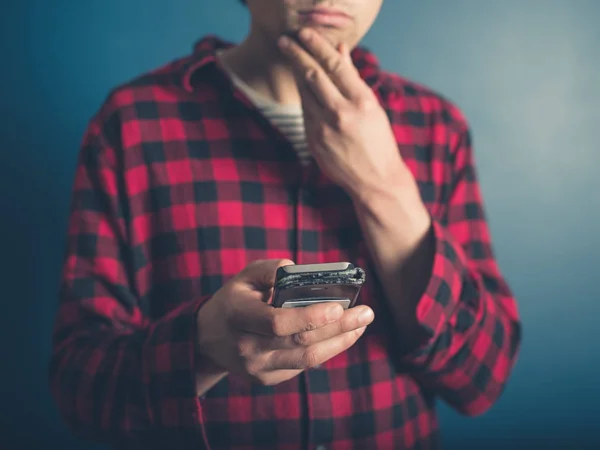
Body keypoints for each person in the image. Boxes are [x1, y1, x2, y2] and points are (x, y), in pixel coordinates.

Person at [49, 1, 522, 449]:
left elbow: (482, 378)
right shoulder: (131, 125)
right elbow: (79, 388)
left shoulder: (437, 128)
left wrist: (385, 186)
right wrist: (200, 346)